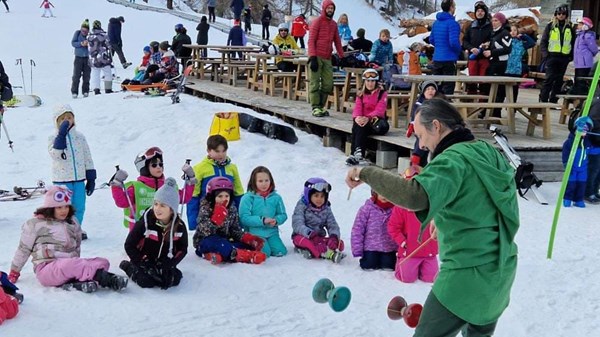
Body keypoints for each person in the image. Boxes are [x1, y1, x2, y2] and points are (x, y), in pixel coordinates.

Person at [345, 98, 519, 337]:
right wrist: (444, 219)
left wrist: (365, 172)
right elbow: (484, 201)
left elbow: (414, 195)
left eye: (420, 135)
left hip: (467, 274)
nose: (422, 144)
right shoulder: (488, 152)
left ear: (436, 126)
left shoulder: (452, 158)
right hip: (500, 272)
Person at [7, 186, 127, 293]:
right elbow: (24, 249)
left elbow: (77, 244)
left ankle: (77, 284)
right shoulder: (35, 224)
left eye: (66, 207)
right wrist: (14, 271)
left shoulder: (72, 221)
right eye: (59, 207)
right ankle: (108, 279)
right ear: (50, 208)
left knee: (102, 262)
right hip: (47, 269)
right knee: (73, 265)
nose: (63, 211)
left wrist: (79, 264)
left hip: (70, 265)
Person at [120, 178, 188, 289]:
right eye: (156, 204)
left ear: (172, 209)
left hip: (162, 261)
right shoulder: (146, 222)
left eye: (163, 206)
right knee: (146, 282)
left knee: (174, 279)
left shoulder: (179, 226)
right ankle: (128, 267)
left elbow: (182, 249)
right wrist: (143, 261)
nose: (157, 208)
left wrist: (170, 264)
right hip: (143, 259)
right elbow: (129, 245)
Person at [110, 146, 196, 231]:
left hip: (164, 233)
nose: (159, 167)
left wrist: (190, 179)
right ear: (144, 168)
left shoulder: (168, 186)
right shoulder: (136, 187)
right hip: (141, 234)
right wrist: (116, 183)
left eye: (161, 164)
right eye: (154, 165)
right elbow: (122, 202)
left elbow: (183, 198)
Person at [193, 177, 267, 264]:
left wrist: (248, 238)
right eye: (220, 196)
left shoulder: (231, 209)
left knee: (245, 246)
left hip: (226, 240)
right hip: (206, 241)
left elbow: (235, 230)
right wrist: (215, 221)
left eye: (227, 196)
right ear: (212, 196)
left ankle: (216, 256)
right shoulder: (206, 208)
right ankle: (246, 256)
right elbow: (203, 230)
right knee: (221, 245)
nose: (224, 199)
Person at [48, 104, 96, 239]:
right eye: (63, 119)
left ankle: (75, 229)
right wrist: (61, 135)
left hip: (79, 179)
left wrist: (91, 177)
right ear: (57, 121)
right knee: (63, 207)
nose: (67, 121)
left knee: (79, 206)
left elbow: (87, 156)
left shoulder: (79, 137)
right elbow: (55, 155)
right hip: (62, 180)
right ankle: (62, 231)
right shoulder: (53, 138)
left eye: (69, 117)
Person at [387, 170, 438, 283]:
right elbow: (393, 227)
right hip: (410, 250)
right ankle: (400, 263)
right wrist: (403, 241)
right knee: (407, 278)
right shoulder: (401, 207)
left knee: (431, 278)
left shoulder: (433, 204)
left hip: (429, 250)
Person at [187, 134, 244, 230]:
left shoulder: (232, 168)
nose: (221, 154)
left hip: (229, 210)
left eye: (224, 151)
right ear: (209, 151)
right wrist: (193, 222)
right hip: (208, 211)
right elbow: (193, 195)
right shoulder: (200, 168)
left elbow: (238, 192)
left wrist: (241, 220)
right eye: (217, 151)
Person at [291, 177, 345, 262]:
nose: (319, 199)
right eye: (316, 195)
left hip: (319, 238)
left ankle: (322, 250)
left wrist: (334, 237)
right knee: (309, 244)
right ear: (308, 195)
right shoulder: (302, 206)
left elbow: (332, 224)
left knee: (340, 244)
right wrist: (310, 234)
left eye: (322, 196)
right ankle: (328, 254)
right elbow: (297, 223)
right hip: (302, 236)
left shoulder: (326, 208)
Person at [239, 166, 288, 257]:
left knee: (280, 252)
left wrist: (276, 220)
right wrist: (262, 220)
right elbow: (244, 218)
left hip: (272, 232)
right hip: (254, 233)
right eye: (260, 181)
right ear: (254, 182)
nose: (264, 184)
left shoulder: (276, 197)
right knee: (265, 253)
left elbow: (283, 214)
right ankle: (247, 247)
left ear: (271, 181)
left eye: (266, 180)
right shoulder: (248, 198)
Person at [308, 0, 344, 117]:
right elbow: (311, 40)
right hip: (316, 56)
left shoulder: (333, 24)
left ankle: (321, 106)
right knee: (314, 82)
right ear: (324, 9)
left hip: (327, 56)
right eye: (328, 8)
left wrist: (341, 56)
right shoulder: (317, 22)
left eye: (332, 9)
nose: (330, 10)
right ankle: (315, 107)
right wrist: (312, 57)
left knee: (328, 83)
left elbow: (337, 41)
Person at [346, 68, 389, 166]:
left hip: (376, 122)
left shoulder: (382, 93)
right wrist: (357, 117)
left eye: (373, 81)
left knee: (362, 126)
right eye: (368, 81)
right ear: (365, 82)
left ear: (376, 81)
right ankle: (357, 153)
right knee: (358, 124)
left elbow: (380, 110)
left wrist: (368, 118)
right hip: (363, 120)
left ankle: (356, 152)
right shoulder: (361, 94)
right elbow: (357, 108)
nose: (370, 83)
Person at [350, 190, 396, 270]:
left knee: (389, 265)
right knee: (369, 264)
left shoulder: (396, 210)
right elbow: (358, 229)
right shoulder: (367, 209)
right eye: (381, 192)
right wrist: (357, 248)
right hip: (370, 247)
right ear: (375, 192)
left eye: (388, 193)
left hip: (389, 247)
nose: (384, 196)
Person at [539, 4, 575, 103]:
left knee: (559, 80)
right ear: (556, 14)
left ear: (566, 15)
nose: (561, 15)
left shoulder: (570, 27)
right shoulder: (550, 26)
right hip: (551, 56)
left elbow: (573, 42)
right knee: (549, 79)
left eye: (563, 14)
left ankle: (553, 100)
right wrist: (545, 54)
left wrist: (571, 56)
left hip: (564, 58)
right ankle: (543, 99)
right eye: (559, 13)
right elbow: (544, 41)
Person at [406, 80, 446, 167]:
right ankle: (416, 159)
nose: (430, 91)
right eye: (427, 89)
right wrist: (412, 125)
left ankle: (417, 158)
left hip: (437, 127)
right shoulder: (419, 103)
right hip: (422, 127)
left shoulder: (440, 101)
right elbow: (415, 116)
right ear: (423, 92)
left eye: (432, 89)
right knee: (422, 138)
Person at [482, 12, 511, 118]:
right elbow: (495, 45)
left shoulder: (505, 33)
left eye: (496, 21)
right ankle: (486, 110)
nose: (493, 23)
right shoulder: (493, 33)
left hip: (501, 63)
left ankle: (496, 111)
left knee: (498, 88)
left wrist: (492, 52)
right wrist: (487, 46)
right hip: (492, 62)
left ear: (502, 22)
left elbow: (508, 49)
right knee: (487, 86)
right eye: (492, 20)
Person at [429, 0, 461, 95]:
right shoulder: (453, 23)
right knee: (448, 87)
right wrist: (459, 51)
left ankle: (436, 108)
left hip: (437, 58)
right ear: (451, 8)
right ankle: (445, 108)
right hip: (449, 59)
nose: (454, 9)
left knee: (437, 87)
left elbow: (431, 39)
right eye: (454, 7)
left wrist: (440, 46)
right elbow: (453, 42)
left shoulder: (436, 23)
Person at [462, 1, 492, 95]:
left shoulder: (490, 26)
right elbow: (464, 42)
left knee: (484, 84)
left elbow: (494, 40)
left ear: (485, 12)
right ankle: (471, 106)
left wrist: (488, 45)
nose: (479, 13)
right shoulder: (471, 26)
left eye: (482, 11)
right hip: (473, 59)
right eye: (478, 11)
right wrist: (471, 48)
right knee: (472, 83)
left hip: (484, 58)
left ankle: (483, 107)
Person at [562, 117, 592, 208]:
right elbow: (565, 154)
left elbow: (591, 151)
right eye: (581, 128)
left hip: (583, 169)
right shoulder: (570, 142)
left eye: (586, 129)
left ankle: (578, 199)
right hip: (572, 168)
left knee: (581, 185)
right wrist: (566, 164)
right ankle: (567, 198)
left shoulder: (587, 142)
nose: (583, 131)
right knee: (571, 184)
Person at [505, 24, 535, 101]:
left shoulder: (521, 43)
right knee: (503, 90)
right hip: (506, 68)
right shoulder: (506, 42)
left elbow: (532, 43)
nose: (513, 32)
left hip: (516, 69)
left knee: (514, 90)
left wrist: (523, 36)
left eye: (515, 30)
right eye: (511, 30)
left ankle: (513, 108)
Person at [572, 17, 597, 95]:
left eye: (580, 24)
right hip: (578, 63)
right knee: (577, 80)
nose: (578, 26)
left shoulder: (588, 36)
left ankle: (581, 97)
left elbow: (594, 48)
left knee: (581, 82)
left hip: (585, 63)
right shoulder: (579, 35)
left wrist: (589, 56)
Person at [88, 20, 114, 94]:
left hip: (94, 57)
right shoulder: (104, 35)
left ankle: (96, 89)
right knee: (107, 72)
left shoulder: (90, 36)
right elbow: (109, 45)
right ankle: (108, 88)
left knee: (95, 73)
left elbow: (89, 46)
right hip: (103, 57)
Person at [71, 19, 91, 98]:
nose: (84, 32)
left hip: (87, 58)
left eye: (85, 31)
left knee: (87, 76)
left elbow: (93, 45)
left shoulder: (90, 36)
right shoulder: (77, 33)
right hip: (78, 57)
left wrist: (88, 44)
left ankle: (85, 91)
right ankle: (74, 91)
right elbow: (73, 43)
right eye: (83, 30)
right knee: (76, 75)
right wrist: (81, 44)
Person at [585, 96, 600, 204]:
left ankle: (594, 190)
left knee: (598, 168)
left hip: (596, 139)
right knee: (594, 167)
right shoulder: (597, 103)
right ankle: (588, 192)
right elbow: (593, 121)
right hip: (594, 140)